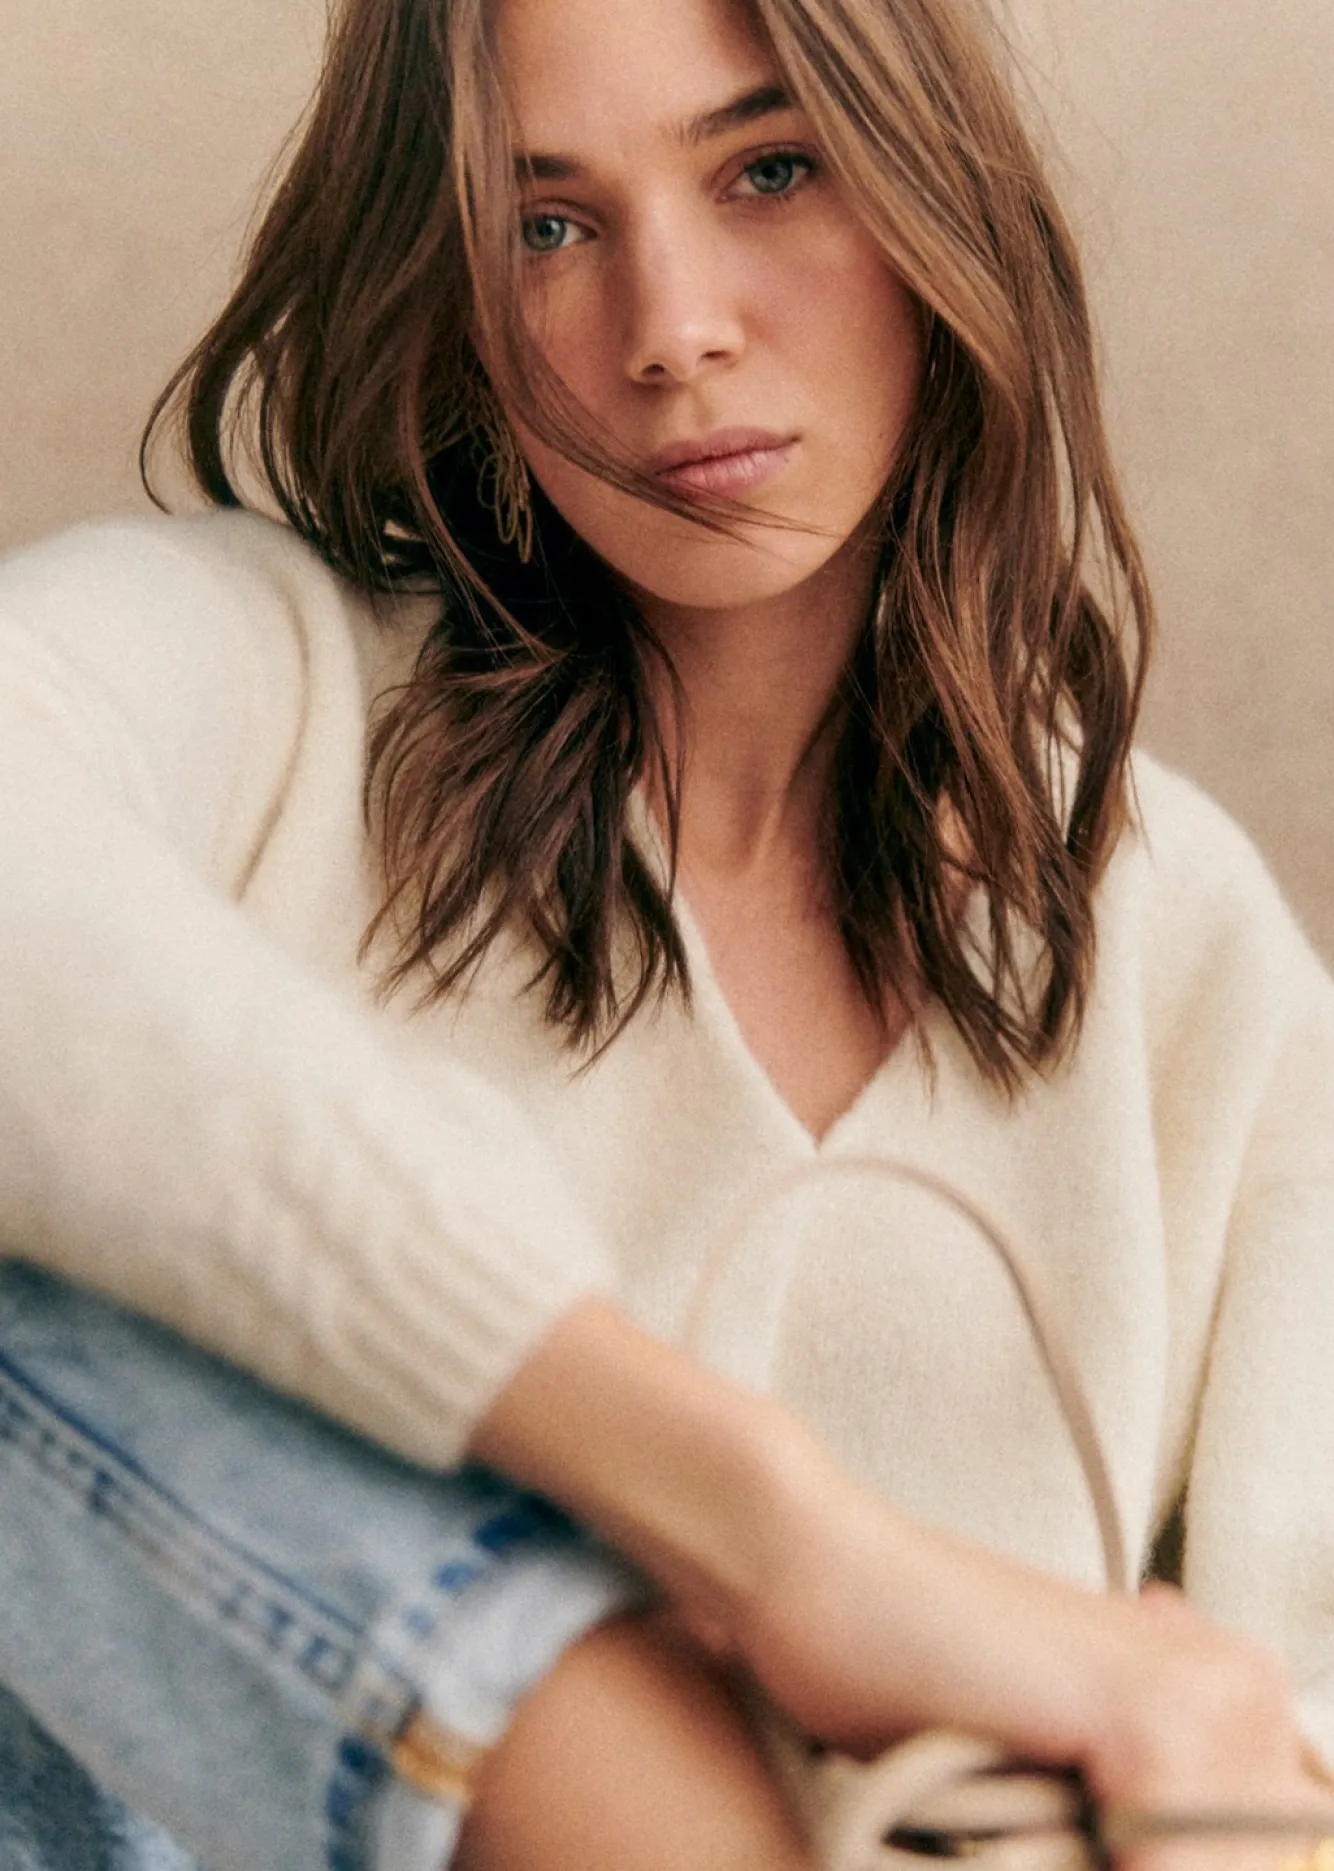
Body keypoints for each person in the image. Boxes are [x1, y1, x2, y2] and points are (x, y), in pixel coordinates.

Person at [1, 0, 1333, 1865]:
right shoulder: (261, 687)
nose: (674, 329)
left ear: (935, 198)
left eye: (769, 171)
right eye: (545, 225)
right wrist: (779, 1539)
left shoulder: (1190, 967)